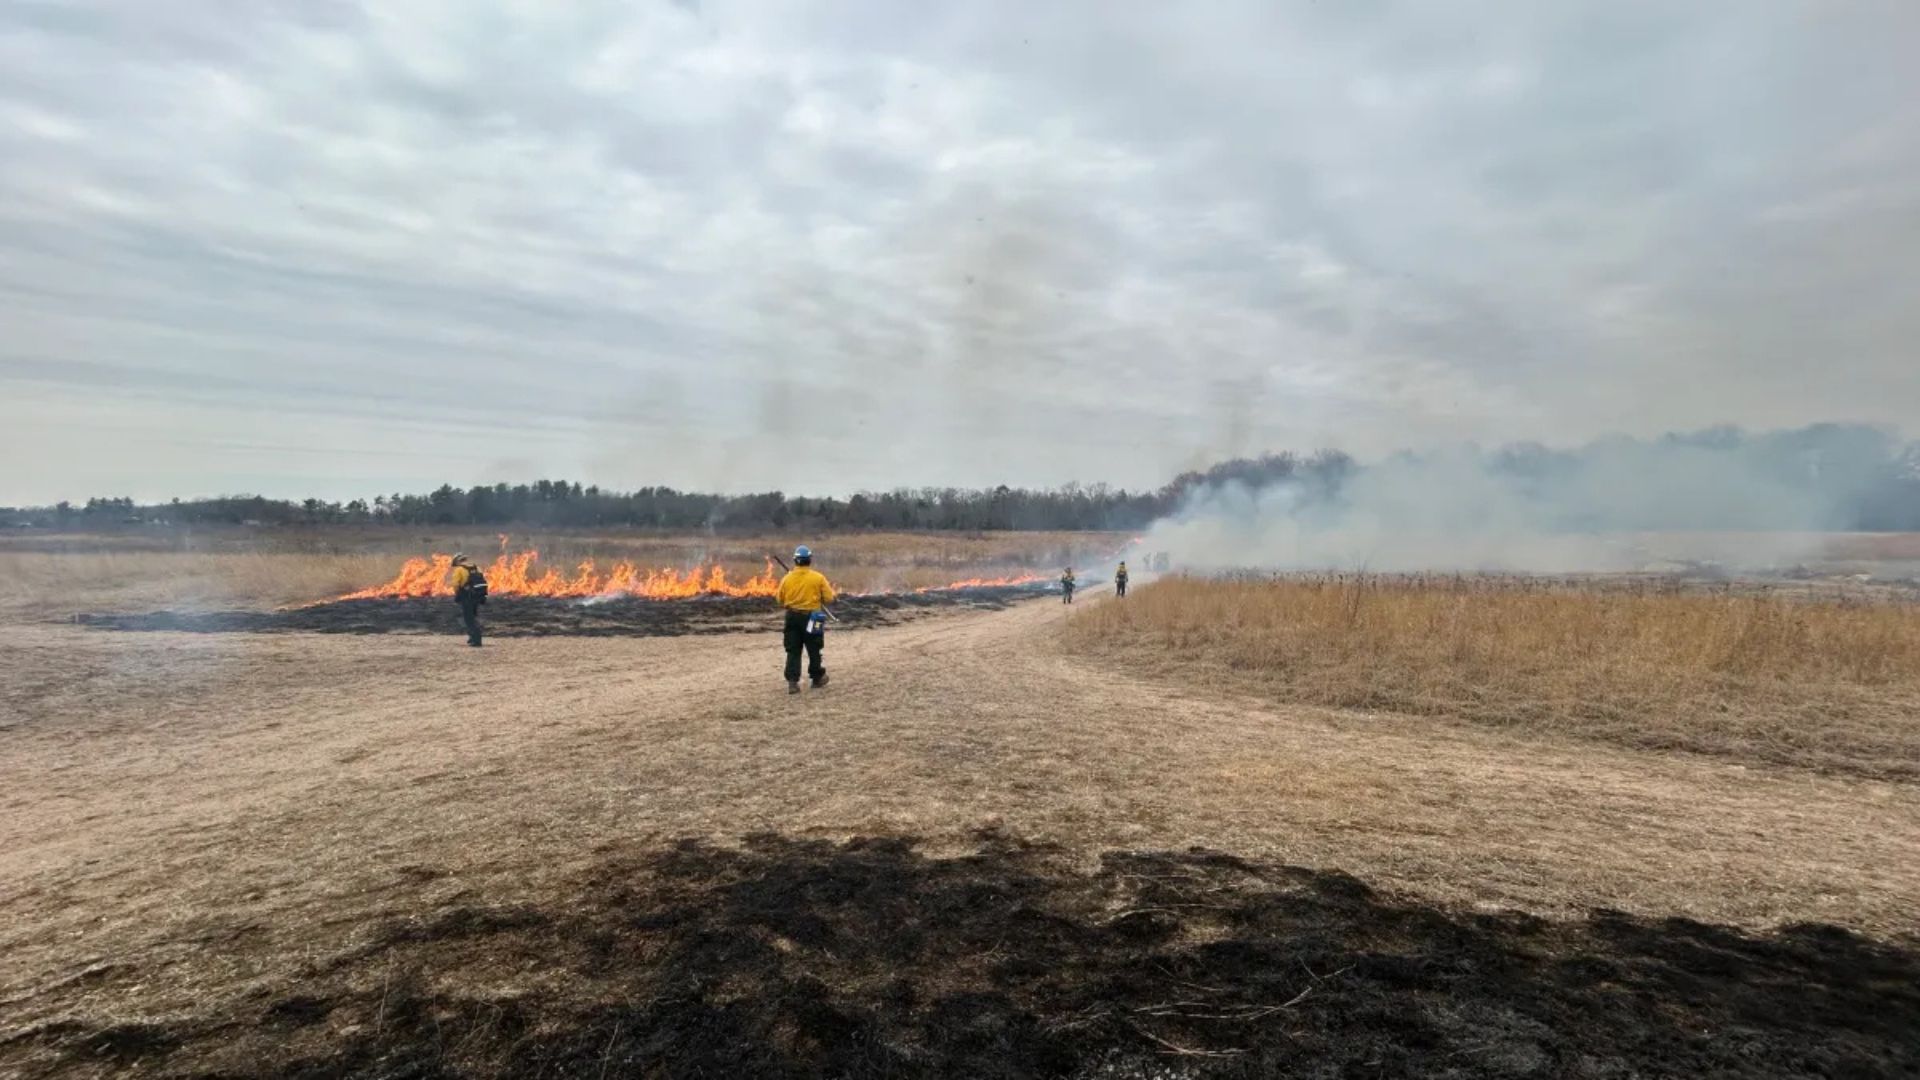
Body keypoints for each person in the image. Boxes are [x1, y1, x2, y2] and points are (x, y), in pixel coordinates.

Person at [776, 544, 835, 694]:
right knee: (814, 648)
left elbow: (779, 600)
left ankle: (793, 683)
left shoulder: (786, 579)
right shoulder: (818, 578)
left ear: (795, 561)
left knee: (793, 650)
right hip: (814, 617)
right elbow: (829, 598)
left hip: (792, 617)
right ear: (809, 560)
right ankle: (817, 678)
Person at [450, 553, 487, 647]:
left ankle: (476, 639)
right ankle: (472, 638)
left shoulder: (459, 570)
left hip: (467, 596)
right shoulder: (476, 568)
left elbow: (455, 584)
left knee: (468, 619)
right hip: (478, 596)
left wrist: (458, 594)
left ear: (458, 561)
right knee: (473, 616)